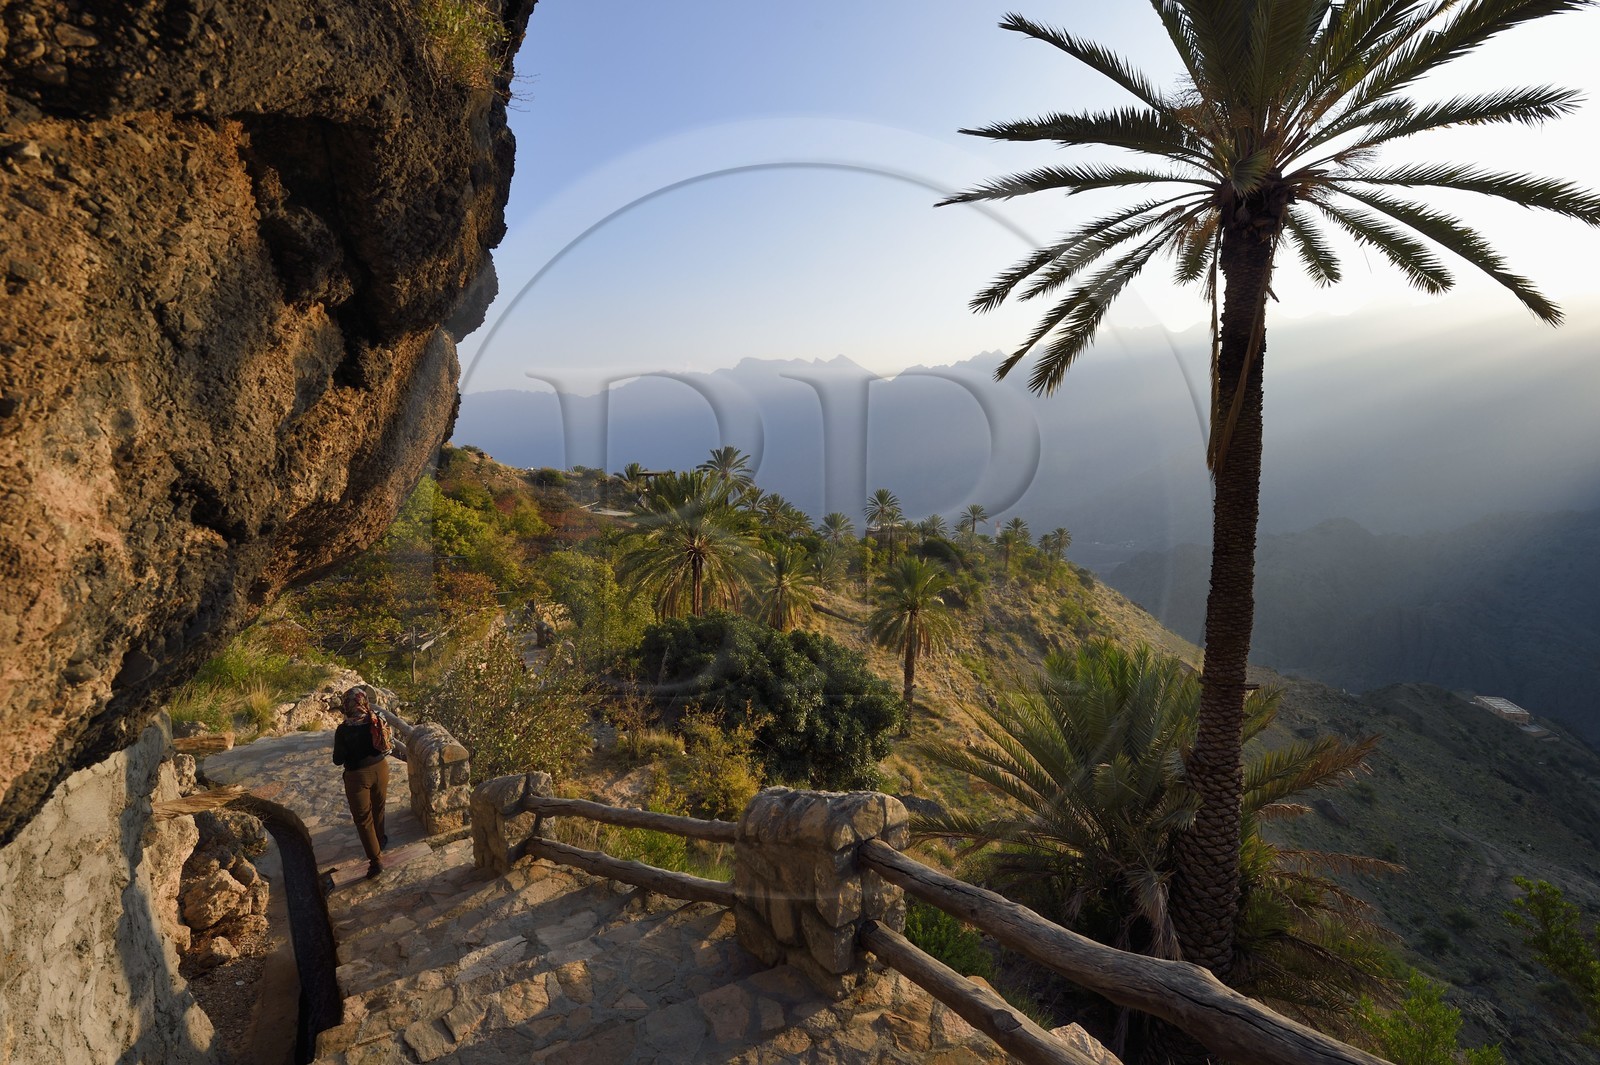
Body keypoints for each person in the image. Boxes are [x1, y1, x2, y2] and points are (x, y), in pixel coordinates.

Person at [332, 687, 389, 878]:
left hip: (357, 777)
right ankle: (379, 840)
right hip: (381, 769)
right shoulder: (375, 719)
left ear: (347, 704)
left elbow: (338, 760)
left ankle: (376, 861)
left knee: (364, 819)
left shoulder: (344, 730)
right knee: (378, 807)